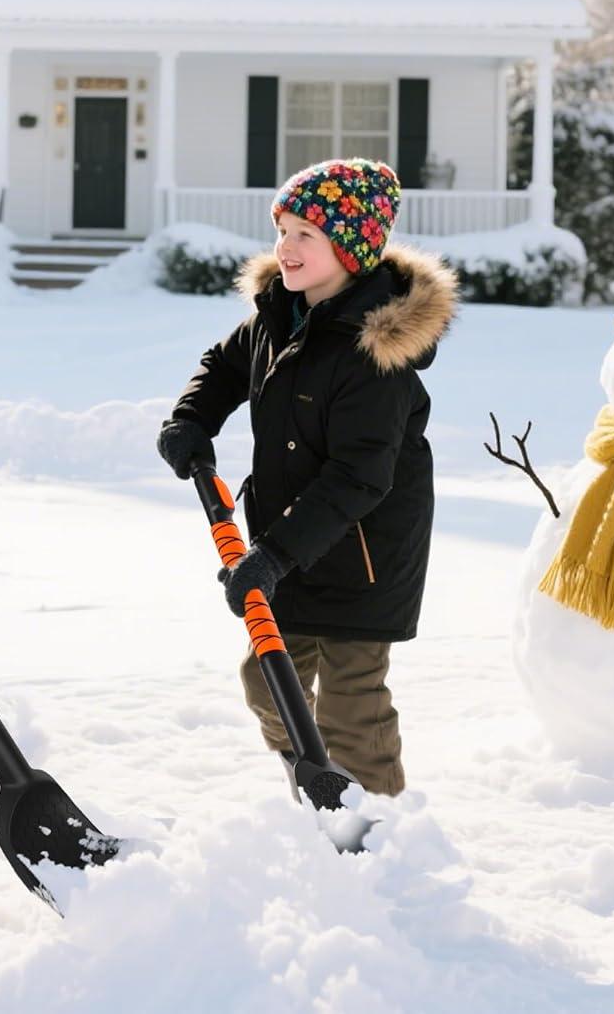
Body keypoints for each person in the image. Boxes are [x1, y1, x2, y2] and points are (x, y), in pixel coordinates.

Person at [157, 158, 456, 796]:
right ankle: (317, 783)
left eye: (305, 235)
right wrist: (192, 419)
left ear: (349, 250)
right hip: (288, 543)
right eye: (283, 230)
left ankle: (376, 822)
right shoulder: (277, 316)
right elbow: (224, 365)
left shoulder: (377, 354)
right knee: (267, 681)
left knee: (352, 703)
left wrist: (270, 556)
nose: (285, 248)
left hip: (364, 554)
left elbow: (359, 477)